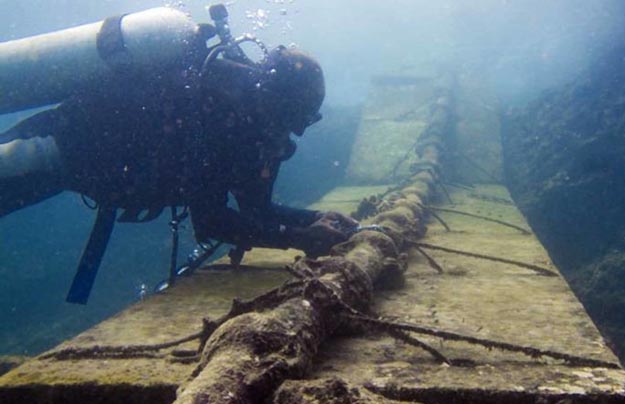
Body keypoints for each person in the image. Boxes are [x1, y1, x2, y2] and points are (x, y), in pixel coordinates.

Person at [0, 44, 358, 298]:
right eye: (293, 117)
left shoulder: (256, 131)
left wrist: (316, 220)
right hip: (57, 145)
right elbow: (211, 222)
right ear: (273, 101)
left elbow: (257, 210)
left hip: (84, 170)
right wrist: (298, 238)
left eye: (305, 120)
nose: (295, 132)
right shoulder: (216, 116)